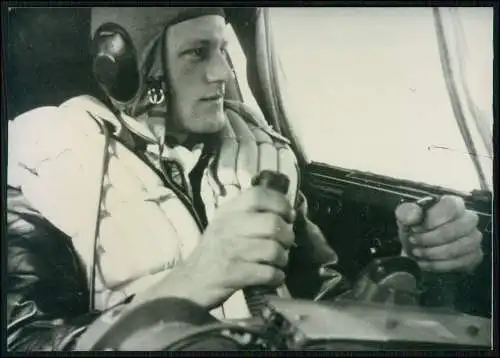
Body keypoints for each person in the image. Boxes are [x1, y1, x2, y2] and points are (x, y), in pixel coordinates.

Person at [6, 7, 485, 351]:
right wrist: (190, 285)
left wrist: (413, 267)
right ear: (127, 66)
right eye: (197, 53)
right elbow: (23, 341)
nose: (221, 73)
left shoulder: (261, 154)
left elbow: (318, 300)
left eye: (222, 50)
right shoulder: (45, 166)